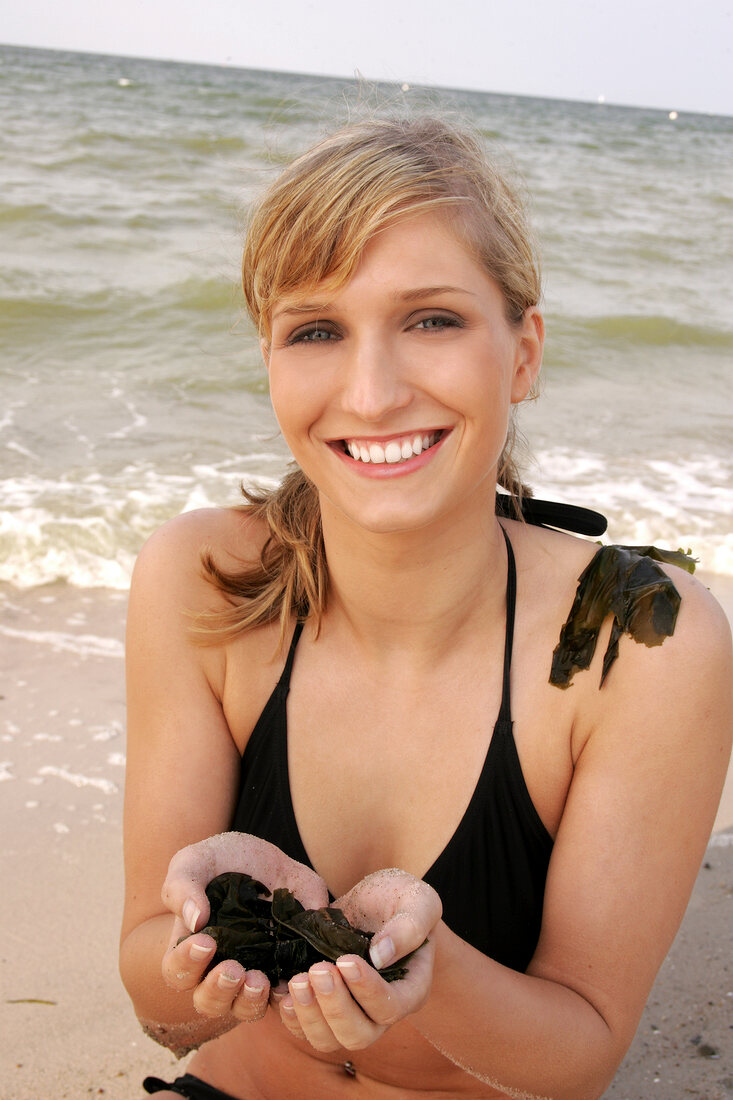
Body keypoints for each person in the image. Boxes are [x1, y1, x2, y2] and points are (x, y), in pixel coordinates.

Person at [120, 116, 733, 1100]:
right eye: (316, 329)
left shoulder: (639, 636)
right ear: (271, 362)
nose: (371, 391)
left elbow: (580, 1054)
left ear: (522, 351)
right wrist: (198, 941)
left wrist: (426, 971)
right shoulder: (201, 580)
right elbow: (159, 1011)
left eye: (432, 319)